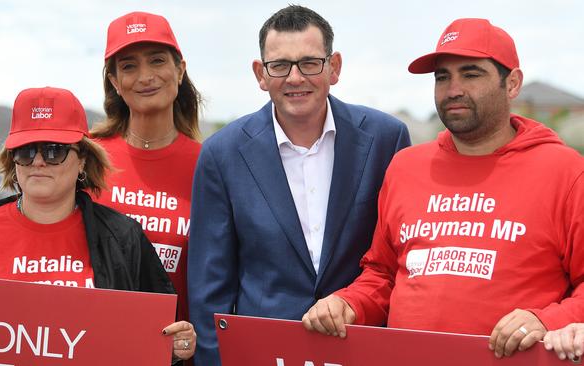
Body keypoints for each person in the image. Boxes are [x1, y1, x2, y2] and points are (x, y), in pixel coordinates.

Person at [302, 17, 584, 360]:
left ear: (512, 83)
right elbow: (382, 274)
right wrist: (347, 302)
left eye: (471, 74)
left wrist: (546, 319)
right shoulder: (406, 167)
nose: (453, 89)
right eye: (442, 77)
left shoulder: (566, 171)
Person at [187, 5, 410, 365]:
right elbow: (209, 288)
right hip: (261, 352)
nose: (295, 78)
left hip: (359, 347)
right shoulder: (221, 153)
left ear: (334, 67)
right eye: (279, 66)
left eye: (310, 63)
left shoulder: (386, 139)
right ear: (260, 74)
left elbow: (398, 260)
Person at [0, 86, 197, 363]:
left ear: (82, 159)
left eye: (53, 151)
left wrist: (177, 344)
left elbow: (160, 335)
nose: (38, 162)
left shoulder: (122, 236)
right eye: (24, 151)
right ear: (13, 161)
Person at [90, 11, 202, 326]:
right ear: (114, 81)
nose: (145, 76)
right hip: (93, 340)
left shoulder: (209, 165)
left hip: (176, 350)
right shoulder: (86, 157)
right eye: (129, 66)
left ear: (179, 70)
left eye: (156, 61)